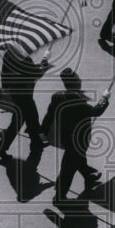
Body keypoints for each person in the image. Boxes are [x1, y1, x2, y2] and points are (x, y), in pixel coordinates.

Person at [41, 68, 107, 204]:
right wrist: (105, 98)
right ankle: (60, 195)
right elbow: (96, 111)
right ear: (76, 83)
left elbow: (49, 115)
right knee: (68, 168)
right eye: (78, 79)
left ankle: (88, 175)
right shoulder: (78, 101)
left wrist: (43, 132)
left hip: (66, 137)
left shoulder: (57, 97)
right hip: (79, 139)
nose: (80, 80)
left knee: (76, 158)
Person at [0, 47, 50, 164]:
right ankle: (35, 146)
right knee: (30, 120)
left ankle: (2, 149)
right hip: (25, 95)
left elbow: (5, 75)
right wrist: (45, 59)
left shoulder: (8, 55)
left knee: (21, 121)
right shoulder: (25, 58)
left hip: (16, 93)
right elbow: (36, 73)